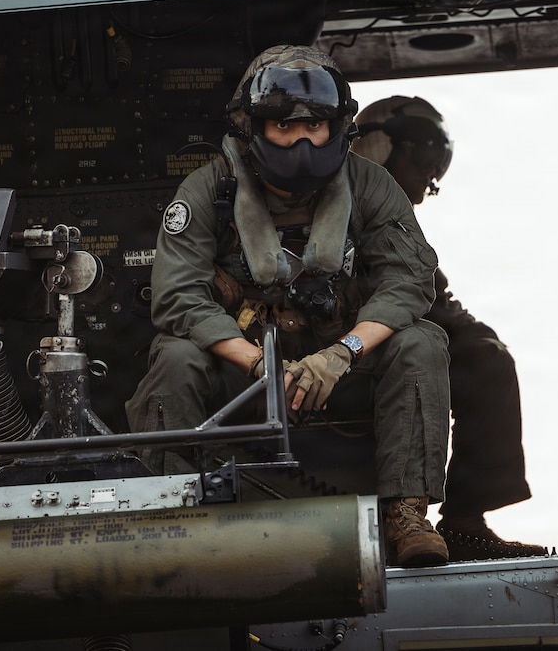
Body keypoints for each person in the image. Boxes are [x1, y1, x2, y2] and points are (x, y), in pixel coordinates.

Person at [125, 45, 452, 568]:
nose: (301, 138)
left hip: (338, 367)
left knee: (422, 342)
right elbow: (177, 295)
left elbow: (408, 281)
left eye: (315, 125)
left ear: (337, 126)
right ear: (253, 126)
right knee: (175, 356)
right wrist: (258, 364)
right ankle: (167, 521)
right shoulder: (210, 190)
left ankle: (406, 514)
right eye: (282, 124)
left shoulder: (371, 185)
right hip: (244, 374)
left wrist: (341, 352)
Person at [352, 95, 546, 561]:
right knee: (474, 352)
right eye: (420, 152)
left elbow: (433, 297)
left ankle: (461, 523)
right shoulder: (342, 208)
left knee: (484, 353)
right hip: (341, 346)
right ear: (375, 150)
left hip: (385, 345)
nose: (431, 169)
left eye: (437, 156)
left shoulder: (397, 223)